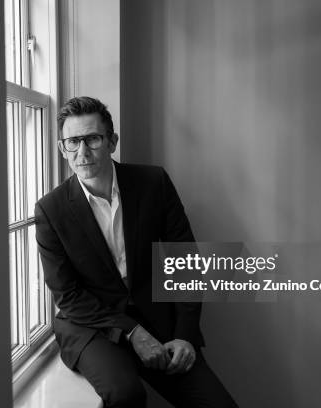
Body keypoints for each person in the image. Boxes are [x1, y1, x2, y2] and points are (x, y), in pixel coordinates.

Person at [35, 96, 237, 408]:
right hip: (93, 326)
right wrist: (132, 333)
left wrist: (185, 334)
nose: (82, 152)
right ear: (62, 148)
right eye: (73, 142)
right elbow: (68, 295)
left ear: (112, 142)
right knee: (126, 395)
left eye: (92, 139)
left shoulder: (153, 182)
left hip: (158, 318)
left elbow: (185, 261)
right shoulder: (51, 210)